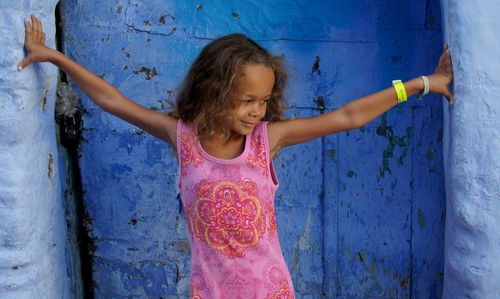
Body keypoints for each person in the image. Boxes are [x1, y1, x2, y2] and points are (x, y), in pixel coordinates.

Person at [18, 14, 453, 298]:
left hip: (270, 290)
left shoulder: (269, 140)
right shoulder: (181, 137)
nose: (257, 111)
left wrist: (422, 84)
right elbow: (112, 101)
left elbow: (349, 116)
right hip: (210, 292)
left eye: (263, 101)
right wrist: (53, 56)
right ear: (215, 90)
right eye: (247, 100)